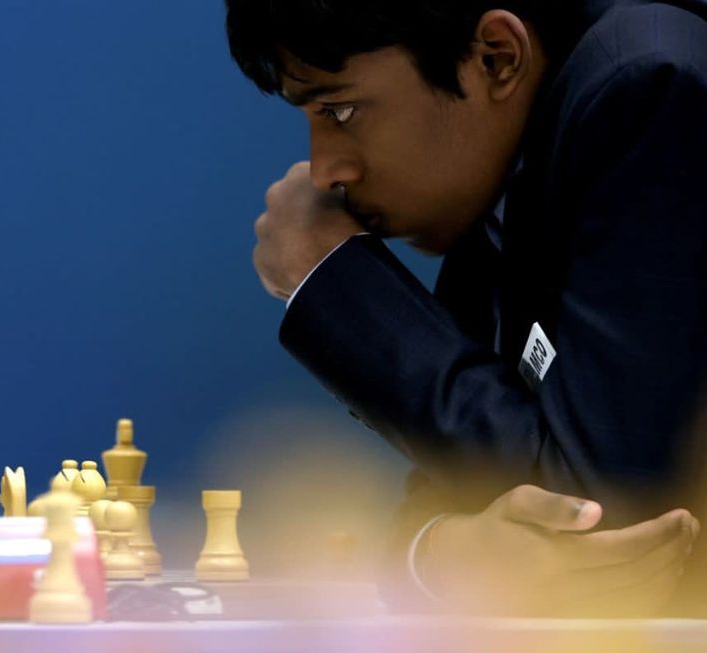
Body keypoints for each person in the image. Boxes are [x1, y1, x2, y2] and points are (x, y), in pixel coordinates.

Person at [225, 0, 707, 615]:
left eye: (341, 110)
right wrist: (441, 555)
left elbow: (614, 525)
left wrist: (334, 282)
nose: (326, 170)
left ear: (495, 58)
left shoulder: (646, 92)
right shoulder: (503, 167)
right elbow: (441, 502)